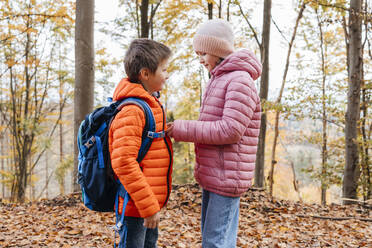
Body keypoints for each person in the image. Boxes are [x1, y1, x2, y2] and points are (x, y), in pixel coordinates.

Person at [166, 19, 262, 248]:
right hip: (216, 172)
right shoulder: (220, 79)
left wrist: (181, 128)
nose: (200, 60)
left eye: (203, 53)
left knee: (215, 242)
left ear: (218, 51)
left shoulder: (240, 80)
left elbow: (230, 130)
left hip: (227, 174)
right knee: (216, 239)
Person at [109, 38, 173, 248]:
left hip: (146, 203)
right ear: (145, 74)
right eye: (163, 69)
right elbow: (124, 162)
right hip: (135, 205)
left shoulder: (150, 104)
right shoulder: (133, 111)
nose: (167, 74)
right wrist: (148, 206)